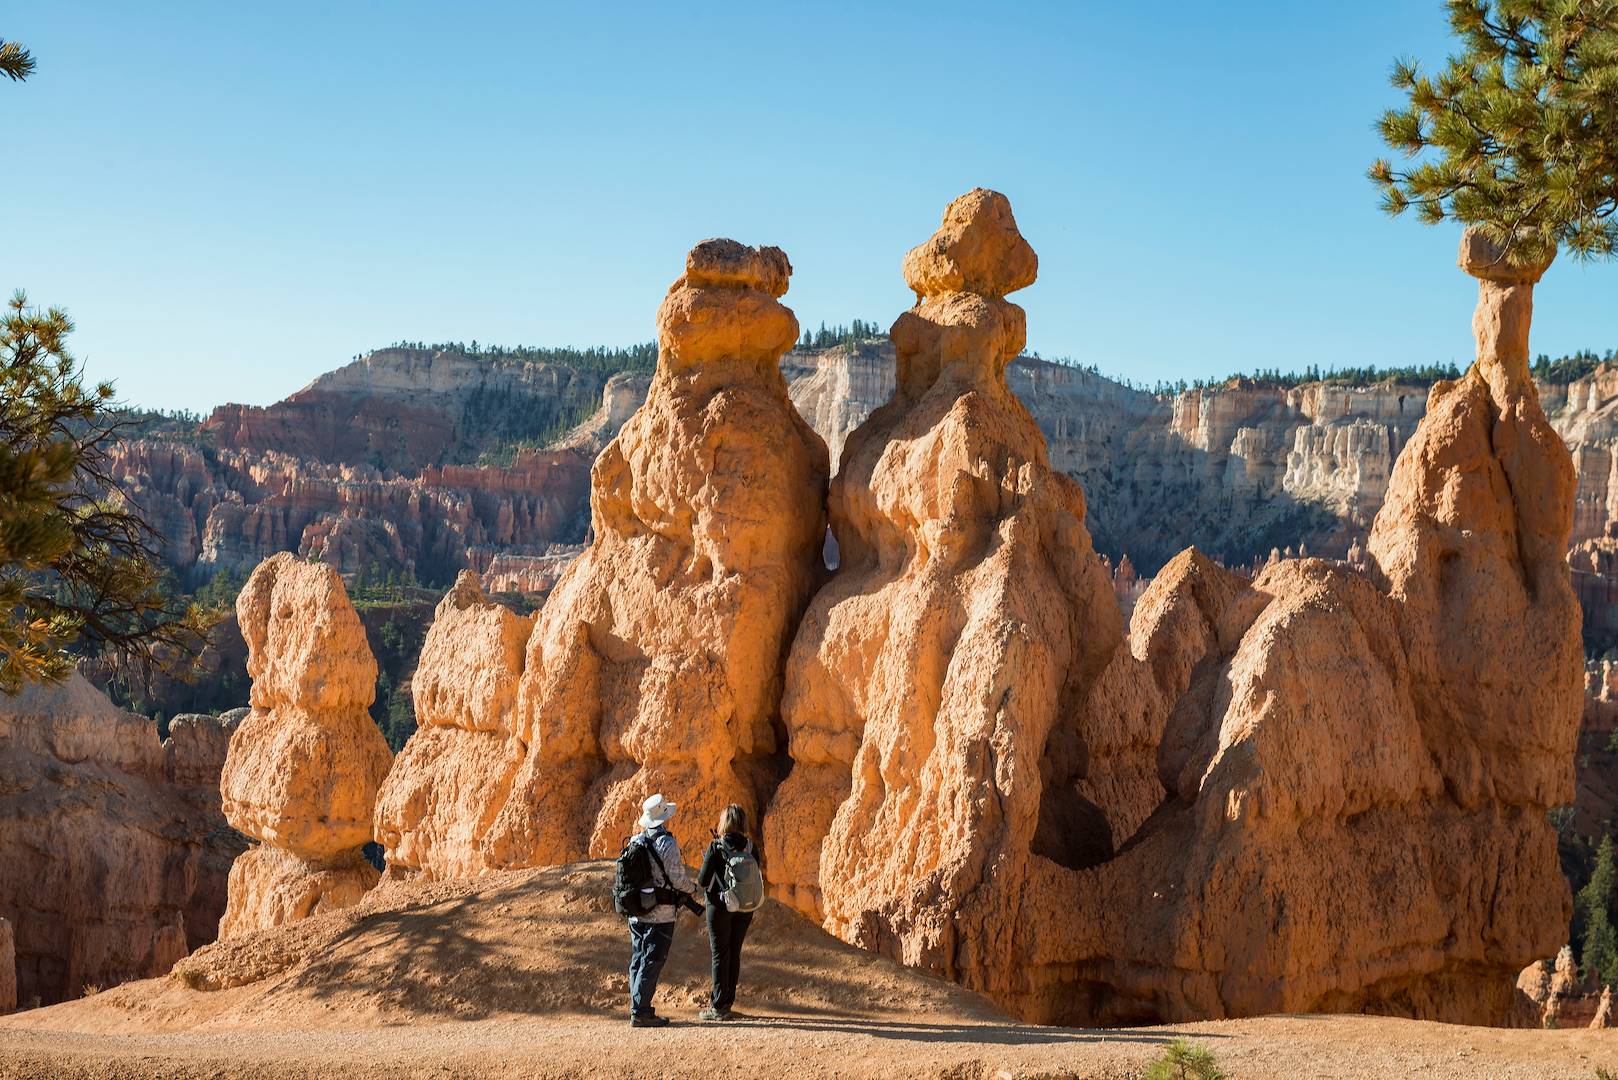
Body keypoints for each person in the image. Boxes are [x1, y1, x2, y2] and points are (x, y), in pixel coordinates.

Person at [626, 792, 696, 1028]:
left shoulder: (635, 841)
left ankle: (637, 1007)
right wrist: (693, 887)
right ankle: (641, 1011)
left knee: (638, 958)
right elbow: (677, 880)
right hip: (661, 914)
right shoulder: (666, 843)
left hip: (636, 913)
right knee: (652, 960)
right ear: (664, 817)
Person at [696, 803, 760, 1021]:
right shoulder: (751, 847)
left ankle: (718, 1006)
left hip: (720, 906)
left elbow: (703, 881)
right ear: (743, 823)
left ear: (724, 822)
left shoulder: (716, 847)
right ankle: (728, 1002)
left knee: (720, 954)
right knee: (734, 953)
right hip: (745, 907)